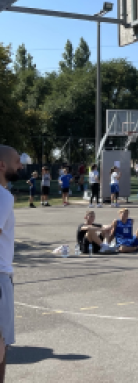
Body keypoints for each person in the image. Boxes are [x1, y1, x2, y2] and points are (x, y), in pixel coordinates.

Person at [0, 146, 22, 382]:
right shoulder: (3, 196)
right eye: (17, 161)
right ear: (1, 165)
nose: (21, 166)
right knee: (1, 342)